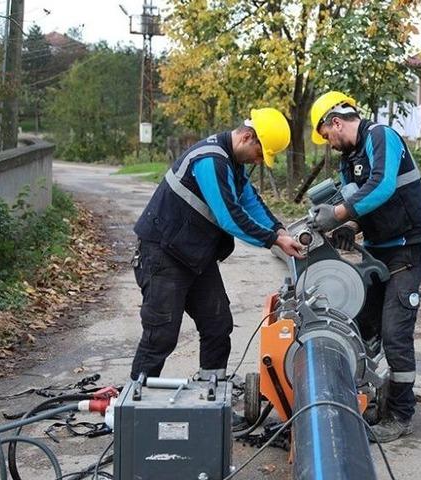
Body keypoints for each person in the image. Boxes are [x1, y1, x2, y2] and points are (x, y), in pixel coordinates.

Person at [130, 107, 304, 384]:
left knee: (217, 325)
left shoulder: (232, 164)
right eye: (260, 154)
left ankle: (210, 395)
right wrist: (274, 241)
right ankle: (135, 405)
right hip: (163, 256)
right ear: (248, 137)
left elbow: (250, 202)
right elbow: (230, 217)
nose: (259, 161)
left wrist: (279, 230)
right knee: (160, 335)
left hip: (194, 258)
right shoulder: (211, 160)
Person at [307, 91, 421, 443]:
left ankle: (400, 414)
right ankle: (366, 394)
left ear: (335, 122)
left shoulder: (381, 136)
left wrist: (339, 215)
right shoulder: (349, 159)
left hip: (406, 250)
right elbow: (364, 204)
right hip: (378, 251)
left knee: (394, 332)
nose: (328, 143)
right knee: (363, 327)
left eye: (325, 135)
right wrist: (351, 226)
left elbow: (382, 187)